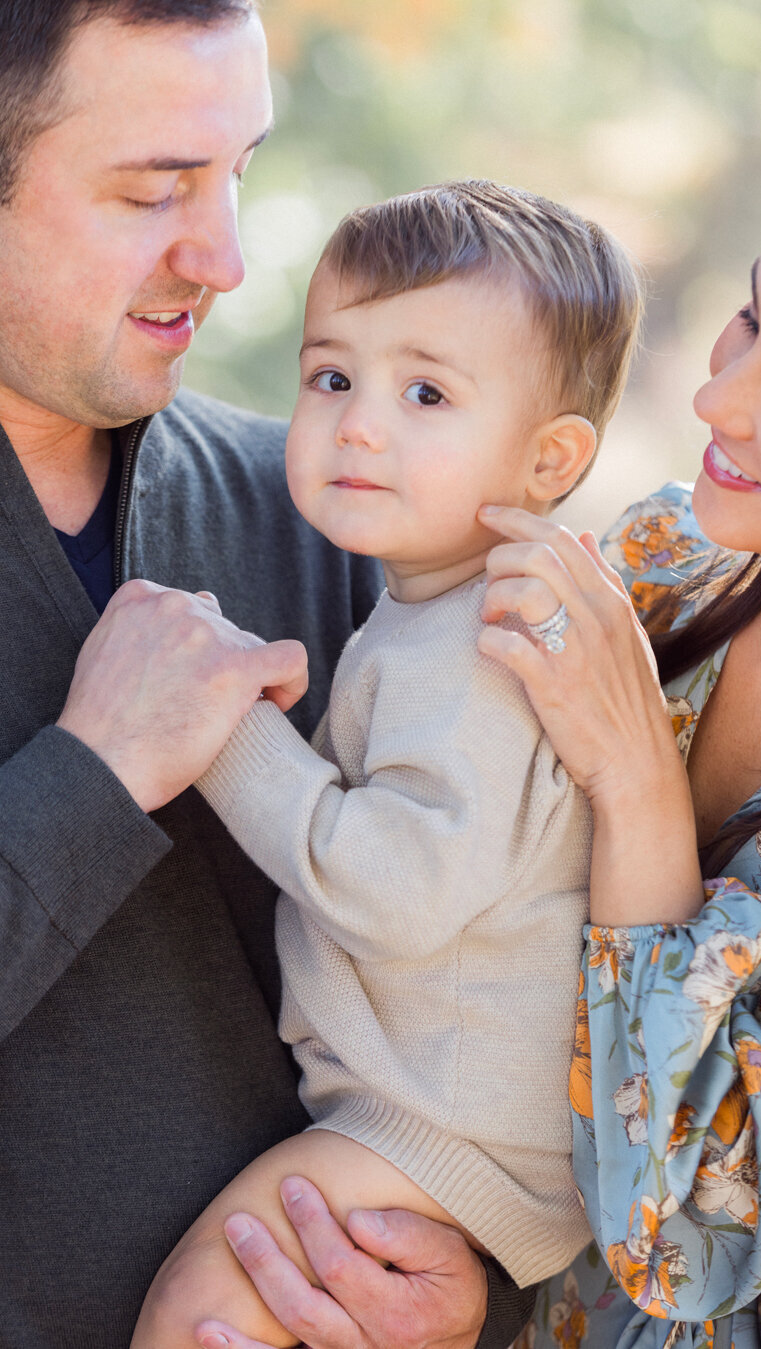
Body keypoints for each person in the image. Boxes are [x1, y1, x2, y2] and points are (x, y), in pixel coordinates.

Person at [0, 2, 536, 1346]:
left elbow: (515, 963)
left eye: (236, 170)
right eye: (154, 188)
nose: (227, 258)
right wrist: (95, 773)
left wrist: (473, 1280)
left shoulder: (348, 525)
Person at [130, 179, 642, 1349]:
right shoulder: (429, 604)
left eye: (425, 392)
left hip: (444, 1131)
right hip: (427, 1110)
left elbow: (398, 888)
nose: (360, 422)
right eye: (332, 377)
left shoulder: (478, 647)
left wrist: (218, 726)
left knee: (199, 1310)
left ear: (551, 457)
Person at [471, 141, 761, 1347]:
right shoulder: (668, 567)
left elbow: (681, 1228)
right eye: (750, 319)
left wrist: (637, 788)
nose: (718, 399)